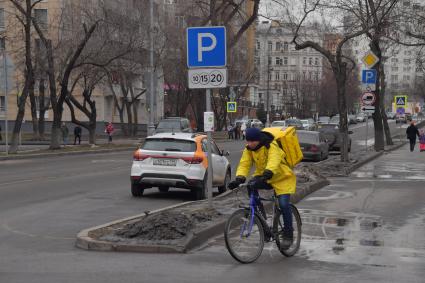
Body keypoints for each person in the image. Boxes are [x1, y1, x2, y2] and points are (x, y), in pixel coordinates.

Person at [228, 127, 297, 249]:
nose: (249, 144)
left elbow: (274, 159)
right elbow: (244, 163)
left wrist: (268, 172)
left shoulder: (270, 145)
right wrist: (239, 178)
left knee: (284, 204)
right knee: (251, 186)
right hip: (265, 177)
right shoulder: (249, 149)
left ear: (258, 140)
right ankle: (264, 226)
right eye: (248, 141)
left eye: (252, 141)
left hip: (281, 178)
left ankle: (288, 235)